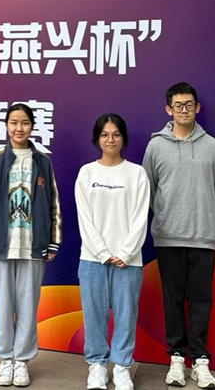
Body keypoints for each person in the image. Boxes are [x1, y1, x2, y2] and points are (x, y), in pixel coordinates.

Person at [142, 82, 215, 389]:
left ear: (197, 108)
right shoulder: (155, 147)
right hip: (168, 236)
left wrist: (205, 217)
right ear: (168, 109)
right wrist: (168, 216)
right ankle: (177, 359)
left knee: (201, 300)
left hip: (203, 235)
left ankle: (200, 361)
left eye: (189, 104)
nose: (184, 110)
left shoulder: (213, 147)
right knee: (173, 299)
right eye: (178, 105)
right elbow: (148, 190)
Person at [0, 103, 62, 387]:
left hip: (33, 247)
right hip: (0, 245)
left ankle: (22, 361)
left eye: (24, 122)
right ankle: (5, 360)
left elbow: (53, 203)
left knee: (27, 305)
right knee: (2, 305)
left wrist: (52, 240)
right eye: (13, 122)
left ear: (32, 126)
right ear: (6, 126)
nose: (19, 128)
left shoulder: (42, 161)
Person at [75, 114, 149, 390]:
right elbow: (84, 218)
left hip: (128, 260)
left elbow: (141, 217)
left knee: (126, 315)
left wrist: (126, 252)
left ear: (123, 138)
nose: (110, 140)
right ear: (97, 139)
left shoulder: (136, 173)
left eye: (116, 134)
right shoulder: (87, 173)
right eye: (105, 135)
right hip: (92, 258)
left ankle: (121, 367)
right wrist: (102, 252)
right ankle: (96, 366)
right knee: (93, 314)